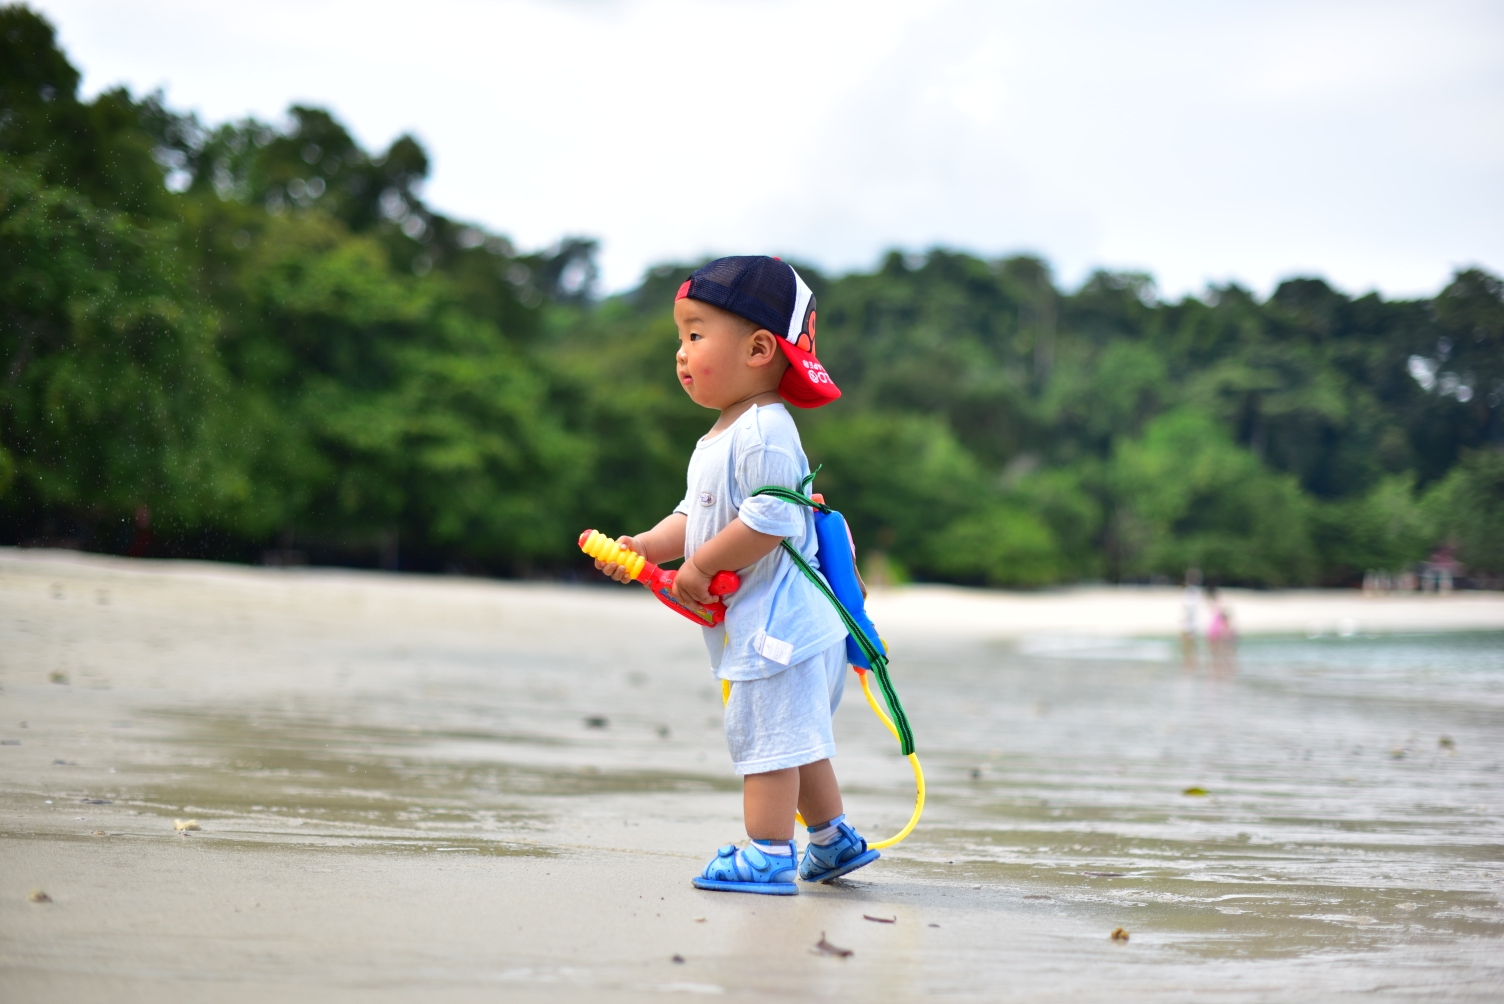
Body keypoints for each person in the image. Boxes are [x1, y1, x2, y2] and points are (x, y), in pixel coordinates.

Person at [593, 256, 878, 895]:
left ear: (756, 348)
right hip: (778, 626)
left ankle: (768, 853)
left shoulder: (765, 429)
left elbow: (772, 520)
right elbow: (694, 515)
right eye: (681, 337)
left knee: (768, 742)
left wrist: (701, 564)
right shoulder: (722, 434)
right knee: (797, 739)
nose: (681, 352)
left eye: (696, 335)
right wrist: (646, 547)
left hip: (779, 627)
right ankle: (832, 841)